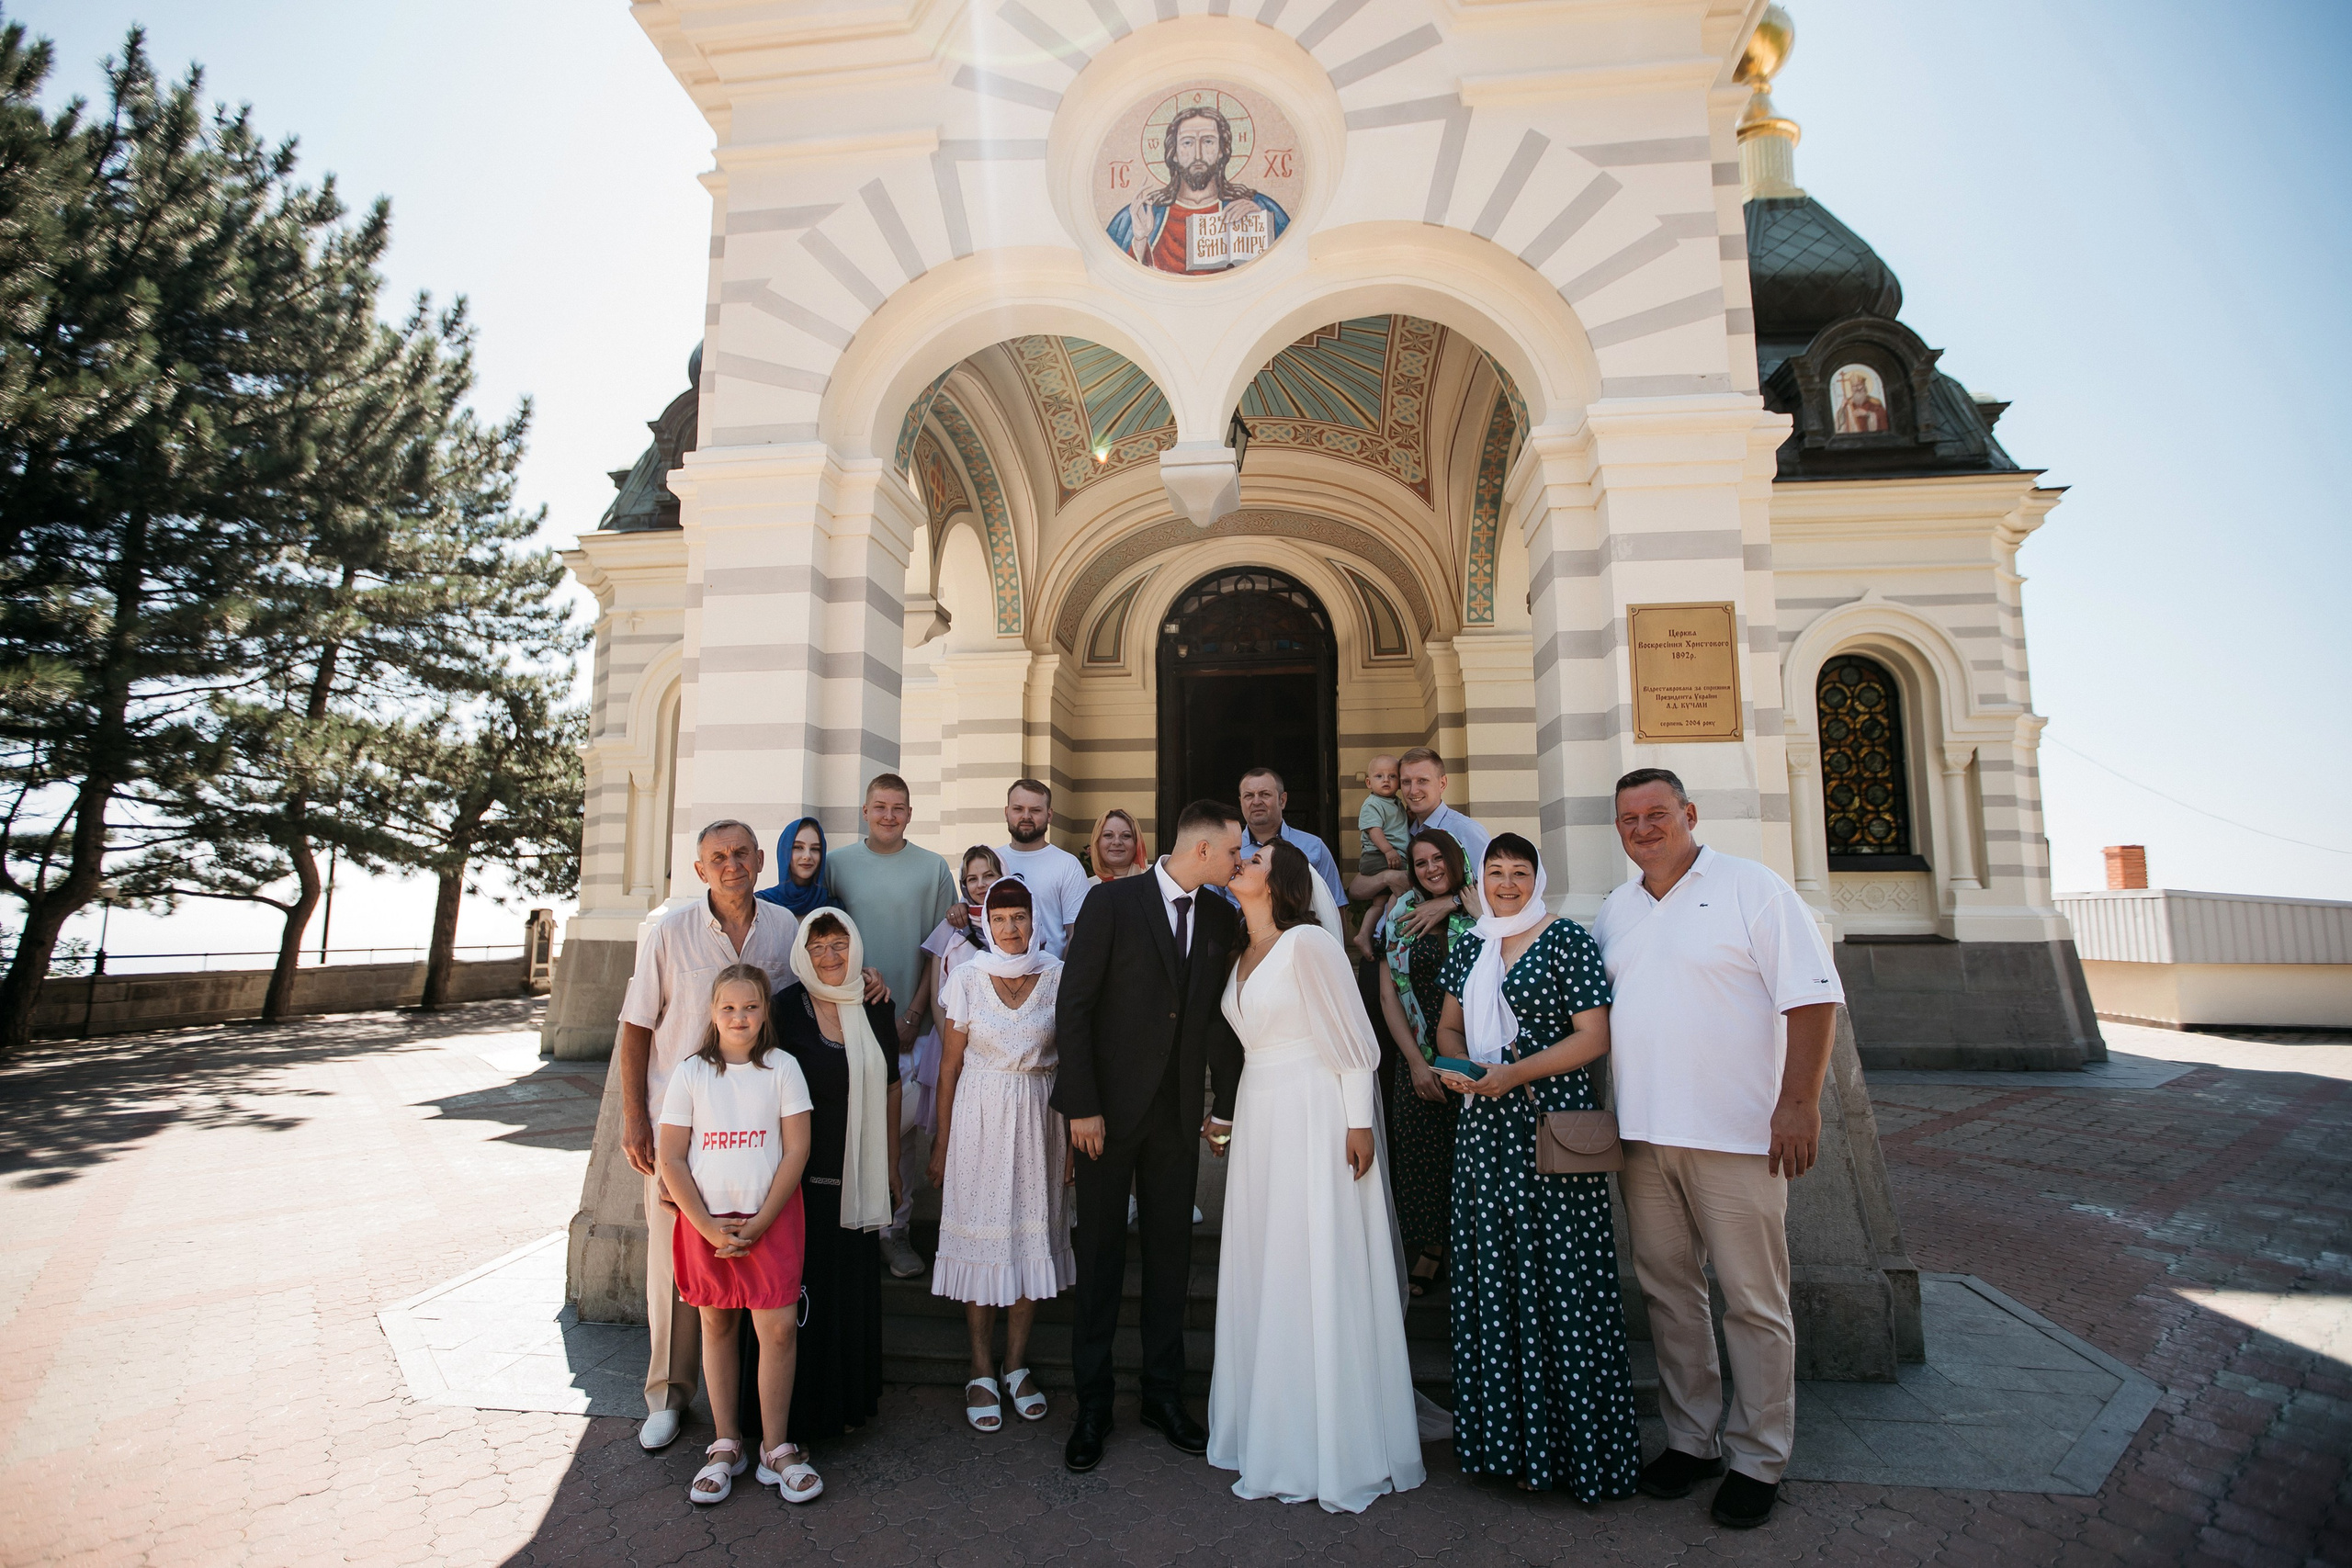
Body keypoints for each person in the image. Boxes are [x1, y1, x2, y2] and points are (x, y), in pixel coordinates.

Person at [1593, 768, 1844, 1530]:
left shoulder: (1751, 886)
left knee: (1754, 1301)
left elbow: (1812, 994)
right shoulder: (1616, 909)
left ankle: (1759, 1456)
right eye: (1629, 817)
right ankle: (1691, 1439)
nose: (1643, 827)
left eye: (1657, 813)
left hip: (1738, 1137)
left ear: (1689, 814)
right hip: (1644, 1137)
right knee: (1672, 1294)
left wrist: (1798, 1101)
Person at [1207, 839, 1425, 1513]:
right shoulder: (1241, 950)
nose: (1241, 860)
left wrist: (1358, 1123)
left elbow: (1355, 1041)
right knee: (1264, 1260)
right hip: (1260, 1112)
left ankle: (1329, 1440)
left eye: (1255, 859)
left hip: (1314, 1110)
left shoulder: (1311, 945)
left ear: (1284, 881)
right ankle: (1268, 1422)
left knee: (1311, 1259)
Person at [1432, 832, 1642, 1501]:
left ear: (1538, 876)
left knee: (1561, 1283)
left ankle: (1576, 1451)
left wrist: (1512, 1072)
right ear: (1482, 877)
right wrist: (1463, 1069)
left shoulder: (1566, 939)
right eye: (1496, 872)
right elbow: (1446, 1028)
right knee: (1496, 1283)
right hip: (1485, 1134)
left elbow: (1593, 1034)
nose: (1508, 884)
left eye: (1521, 872)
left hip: (1550, 1131)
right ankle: (1508, 1446)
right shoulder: (1472, 942)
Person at [1052, 798, 1247, 1473]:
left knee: (1170, 1261)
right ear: (1201, 851)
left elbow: (1224, 1020)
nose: (1238, 861)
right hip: (1102, 1117)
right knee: (1100, 1260)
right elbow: (1072, 1006)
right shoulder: (1112, 903)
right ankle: (1094, 1406)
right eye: (1232, 852)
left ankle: (1165, 1397)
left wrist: (1223, 1102)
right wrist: (1081, 1105)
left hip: (1177, 1118)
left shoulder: (1223, 916)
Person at [616, 819, 804, 1454]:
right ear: (700, 869)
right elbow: (636, 1026)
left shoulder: (783, 929)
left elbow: (814, 996)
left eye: (741, 853)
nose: (732, 864)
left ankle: (750, 1417)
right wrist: (634, 1118)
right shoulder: (669, 933)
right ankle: (668, 1394)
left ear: (759, 860)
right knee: (676, 1266)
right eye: (717, 857)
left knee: (752, 1279)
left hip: (755, 1139)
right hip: (682, 1134)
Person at [655, 965, 820, 1506]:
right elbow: (672, 1157)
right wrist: (706, 1226)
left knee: (777, 1331)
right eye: (729, 1007)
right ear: (712, 1013)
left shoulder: (783, 1069)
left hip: (768, 1219)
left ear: (765, 1011)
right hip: (708, 1222)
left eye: (750, 1007)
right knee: (717, 1325)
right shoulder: (691, 1074)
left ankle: (777, 1447)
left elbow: (796, 1151)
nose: (740, 1017)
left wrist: (760, 1222)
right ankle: (727, 1444)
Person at [928, 878, 1073, 1432]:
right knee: (984, 1240)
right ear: (986, 922)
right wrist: (941, 1143)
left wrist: (1072, 1151)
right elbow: (948, 1067)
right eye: (1002, 918)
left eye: (1021, 918)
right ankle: (981, 1368)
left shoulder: (1057, 976)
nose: (1012, 929)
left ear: (1035, 921)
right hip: (979, 1117)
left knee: (1029, 1237)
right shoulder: (967, 978)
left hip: (1041, 1115)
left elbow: (1073, 1057)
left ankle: (1016, 1365)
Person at [771, 909, 905, 1447]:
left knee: (849, 1298)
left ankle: (847, 1403)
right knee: (804, 1303)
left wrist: (893, 1165)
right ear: (804, 950)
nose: (830, 956)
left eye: (840, 944)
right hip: (799, 1184)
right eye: (819, 945)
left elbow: (892, 1087)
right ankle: (798, 1416)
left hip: (860, 1179)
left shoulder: (876, 1004)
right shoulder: (784, 1009)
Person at [827, 773, 957, 1280]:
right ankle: (848, 1229)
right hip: (845, 1022)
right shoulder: (837, 866)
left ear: (909, 813)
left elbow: (940, 948)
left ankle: (895, 1231)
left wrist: (912, 1015)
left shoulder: (931, 869)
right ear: (865, 811)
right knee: (843, 1128)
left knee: (899, 1133)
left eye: (898, 807)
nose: (888, 815)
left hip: (909, 1025)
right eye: (879, 806)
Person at [1372, 829, 1475, 1297]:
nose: (1431, 868)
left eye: (1439, 859)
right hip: (1416, 1048)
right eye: (1420, 863)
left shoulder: (1483, 909)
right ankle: (1432, 1248)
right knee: (1420, 1157)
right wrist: (1415, 1062)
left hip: (1476, 1057)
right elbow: (1388, 992)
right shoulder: (1400, 915)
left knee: (1469, 1159)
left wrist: (1454, 903)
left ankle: (1475, 1250)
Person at [1348, 749, 1489, 937]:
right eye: (1406, 782)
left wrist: (1449, 902)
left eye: (1422, 780)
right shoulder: (1399, 831)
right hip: (1387, 945)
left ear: (1442, 783)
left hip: (1445, 948)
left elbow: (1492, 886)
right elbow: (1356, 890)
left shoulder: (1464, 830)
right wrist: (1388, 877)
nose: (1413, 790)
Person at [998, 778, 1092, 956]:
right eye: (1018, 809)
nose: (1026, 816)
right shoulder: (991, 861)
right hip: (994, 977)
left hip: (1051, 976)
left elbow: (1077, 934)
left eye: (1035, 810)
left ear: (1049, 815)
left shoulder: (1067, 865)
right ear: (1006, 812)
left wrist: (1065, 980)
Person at [1237, 766, 1345, 908]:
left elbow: (1335, 905)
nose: (1256, 802)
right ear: (1241, 802)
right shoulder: (1229, 851)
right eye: (1249, 796)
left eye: (1264, 794)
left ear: (1282, 800)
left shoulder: (1314, 847)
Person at [1350, 755, 1410, 961]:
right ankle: (1389, 930)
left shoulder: (1394, 802)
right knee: (1403, 886)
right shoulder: (1372, 804)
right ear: (1369, 782)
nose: (1386, 780)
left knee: (1379, 901)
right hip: (1378, 855)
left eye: (1392, 776)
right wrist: (1388, 851)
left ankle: (1367, 934)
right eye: (1379, 776)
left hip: (1387, 855)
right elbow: (1374, 830)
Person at [757, 817, 832, 918]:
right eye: (798, 847)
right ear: (784, 852)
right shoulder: (762, 903)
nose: (807, 856)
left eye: (815, 849)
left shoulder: (832, 907)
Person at [1089, 808, 1149, 882]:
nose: (1117, 842)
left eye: (1126, 836)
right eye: (1108, 835)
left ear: (1137, 842)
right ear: (1097, 842)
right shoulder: (1085, 887)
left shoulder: (1156, 879)